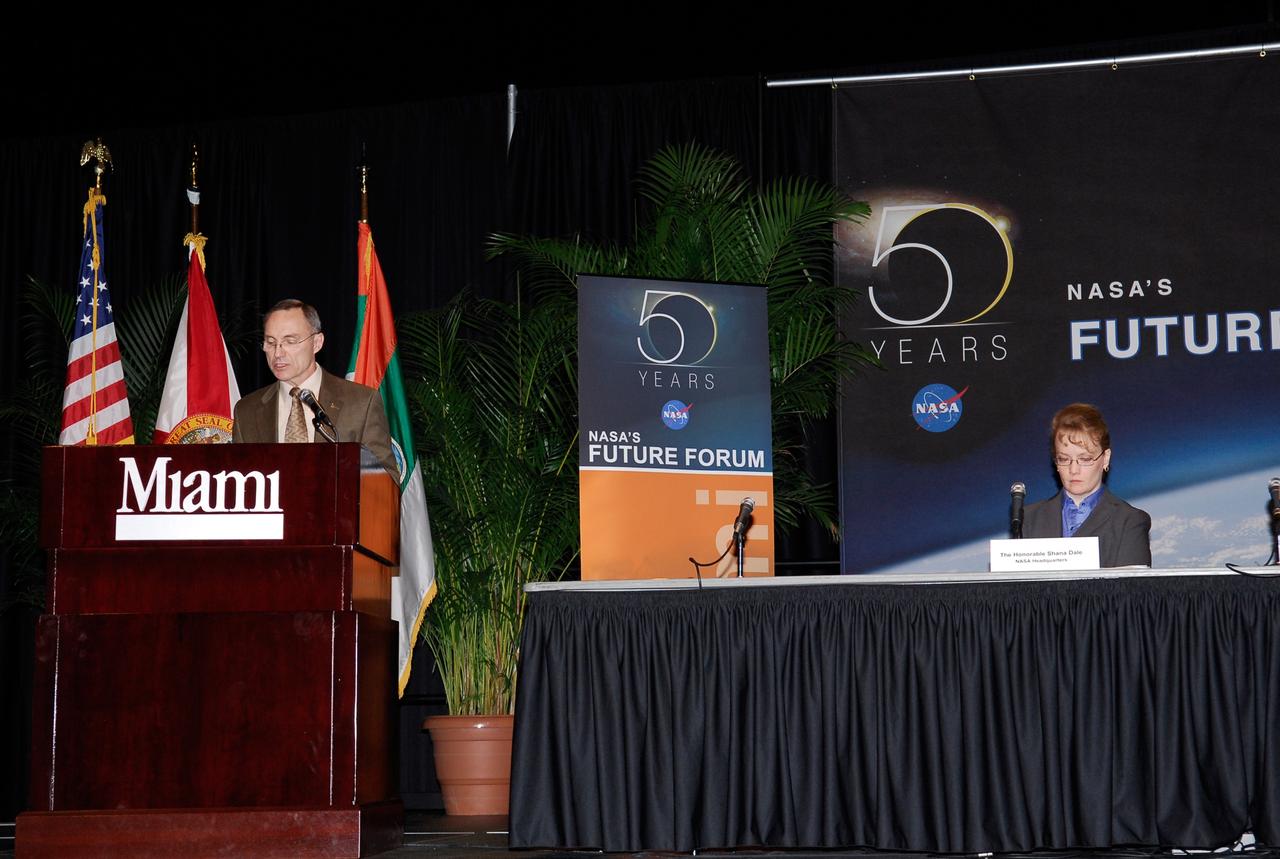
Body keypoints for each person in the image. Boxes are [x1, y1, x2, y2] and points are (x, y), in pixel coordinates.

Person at [232, 299, 399, 477]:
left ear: (317, 343)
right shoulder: (246, 411)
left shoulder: (362, 403)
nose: (278, 353)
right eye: (271, 342)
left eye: (290, 341)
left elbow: (386, 479)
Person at [1022, 403, 1151, 567]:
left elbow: (1132, 584)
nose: (1073, 470)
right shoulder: (1029, 518)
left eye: (1085, 459)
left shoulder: (1129, 521)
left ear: (1105, 458)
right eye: (1064, 459)